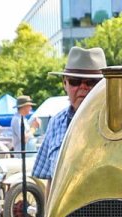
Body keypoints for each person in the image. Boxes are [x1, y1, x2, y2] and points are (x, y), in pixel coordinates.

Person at [32, 46, 107, 192]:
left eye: (91, 82)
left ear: (104, 85)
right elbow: (50, 182)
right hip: (66, 212)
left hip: (108, 211)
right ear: (64, 83)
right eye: (75, 81)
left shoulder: (120, 122)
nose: (83, 87)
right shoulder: (56, 123)